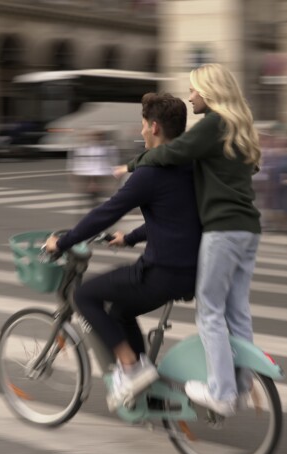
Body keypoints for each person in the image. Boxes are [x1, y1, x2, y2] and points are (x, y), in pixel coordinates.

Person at [114, 63, 261, 416]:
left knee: (209, 312)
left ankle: (222, 394)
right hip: (248, 229)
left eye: (194, 89)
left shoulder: (213, 123)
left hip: (222, 230)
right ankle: (240, 385)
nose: (191, 95)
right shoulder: (239, 128)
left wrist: (133, 164)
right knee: (237, 311)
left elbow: (173, 152)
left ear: (209, 92)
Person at [45, 93, 201, 411]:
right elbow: (174, 217)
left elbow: (106, 211)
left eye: (143, 125)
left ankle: (131, 368)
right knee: (121, 311)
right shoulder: (189, 163)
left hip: (163, 272)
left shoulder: (150, 171)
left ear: (154, 127)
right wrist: (129, 238)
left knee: (85, 295)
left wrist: (61, 242)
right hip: (190, 270)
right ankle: (150, 393)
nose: (141, 131)